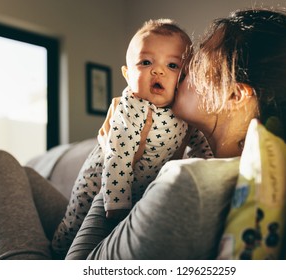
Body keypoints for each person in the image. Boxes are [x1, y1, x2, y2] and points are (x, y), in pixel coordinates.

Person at [0, 8, 286, 260]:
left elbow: (79, 266)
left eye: (197, 61)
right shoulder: (208, 158)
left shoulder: (189, 187)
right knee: (27, 178)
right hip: (88, 223)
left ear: (235, 95)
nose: (181, 71)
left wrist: (118, 154)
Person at [51, 19, 212, 258]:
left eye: (172, 65)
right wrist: (116, 203)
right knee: (73, 223)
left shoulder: (182, 112)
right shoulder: (132, 106)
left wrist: (207, 164)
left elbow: (199, 143)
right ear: (127, 74)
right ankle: (54, 252)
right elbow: (119, 153)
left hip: (138, 190)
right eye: (146, 62)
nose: (158, 71)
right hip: (101, 184)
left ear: (186, 75)